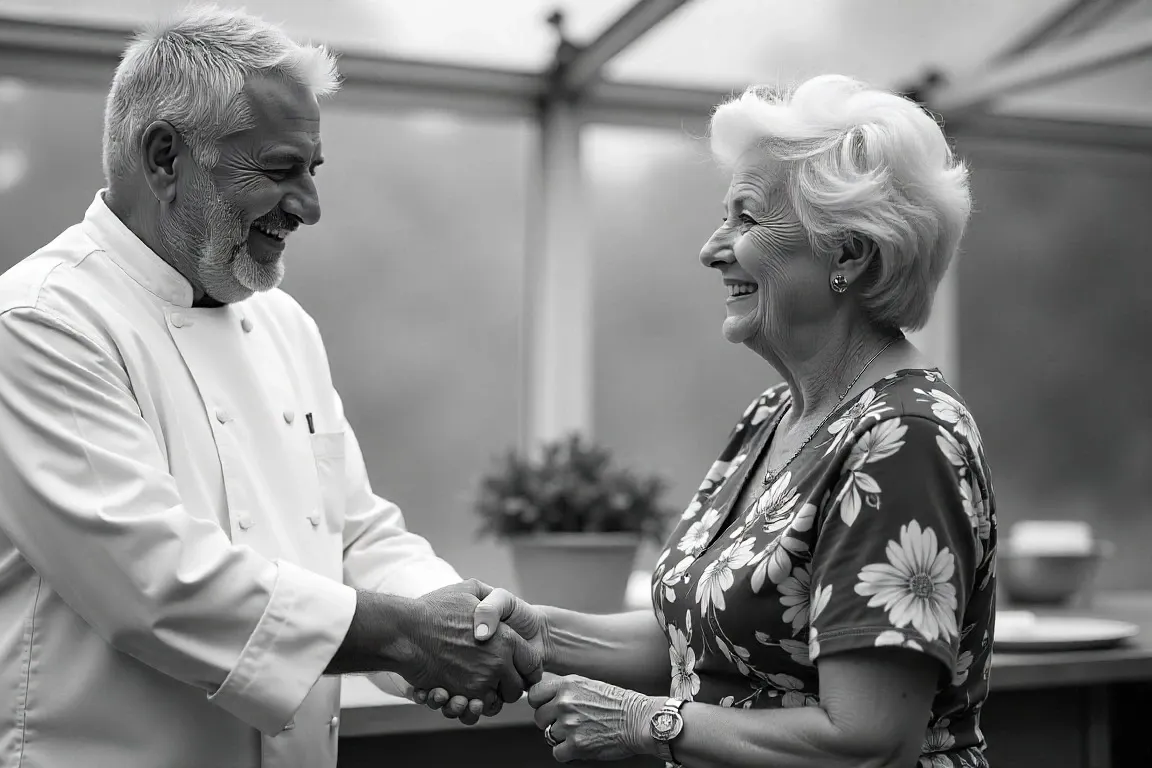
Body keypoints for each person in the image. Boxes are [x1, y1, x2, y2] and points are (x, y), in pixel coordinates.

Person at [0, 9, 537, 768]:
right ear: (165, 158)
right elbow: (154, 583)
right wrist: (412, 636)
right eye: (281, 169)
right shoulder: (42, 322)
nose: (309, 206)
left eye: (313, 172)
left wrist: (465, 617)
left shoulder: (285, 325)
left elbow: (353, 533)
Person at [413, 75, 996, 768]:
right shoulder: (774, 417)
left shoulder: (906, 440)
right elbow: (695, 636)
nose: (712, 247)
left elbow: (867, 744)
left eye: (746, 219)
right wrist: (539, 633)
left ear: (849, 253)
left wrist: (649, 724)